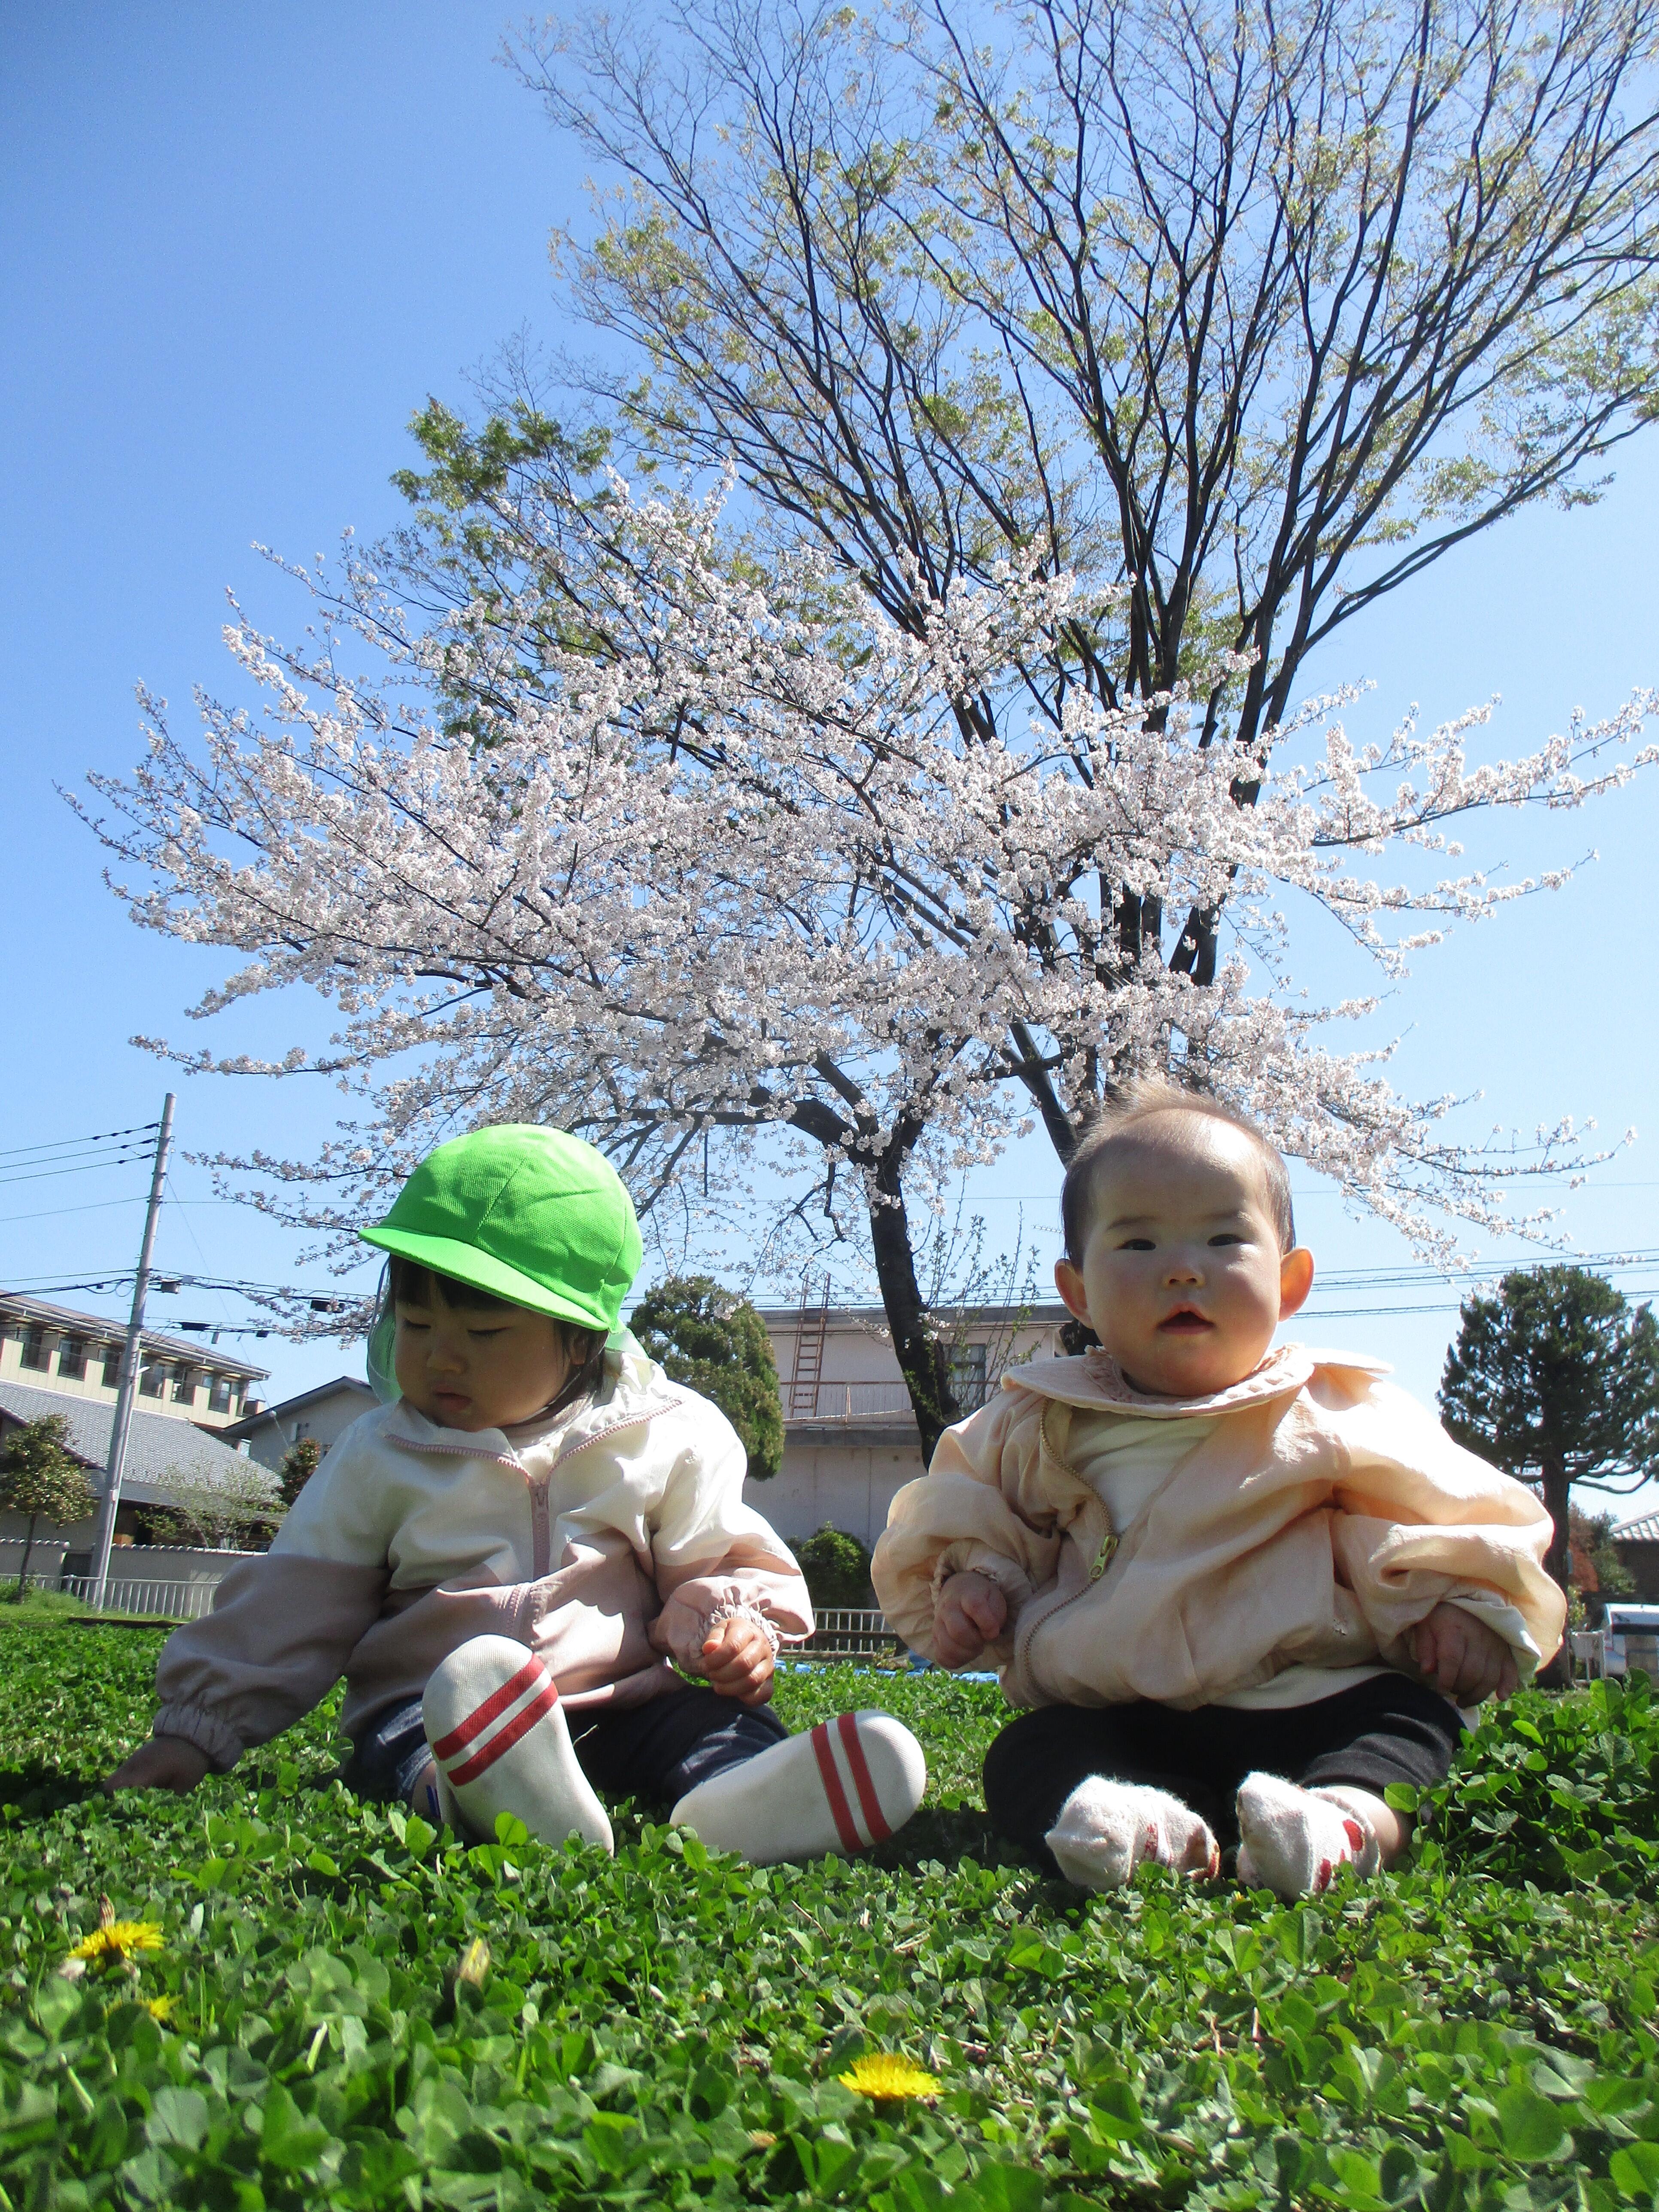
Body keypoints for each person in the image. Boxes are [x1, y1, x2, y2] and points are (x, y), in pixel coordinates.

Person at [106, 1125, 925, 1866]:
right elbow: (290, 1605)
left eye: (483, 1334)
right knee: (404, 1744)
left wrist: (728, 1626)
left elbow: (710, 1557)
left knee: (711, 1728)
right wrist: (198, 1730)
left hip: (624, 1700)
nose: (440, 1359)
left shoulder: (666, 1433)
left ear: (582, 1338)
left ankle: (736, 1801)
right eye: (417, 1326)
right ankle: (473, 1792)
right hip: (439, 1706)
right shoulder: (382, 1452)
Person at [872, 1079, 1564, 1900]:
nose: (1183, 1273)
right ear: (1079, 1292)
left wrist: (1458, 1604)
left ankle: (1339, 1824)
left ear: (1291, 1280)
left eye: (1224, 1241)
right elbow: (977, 1512)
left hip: (1315, 1694)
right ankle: (1141, 1828)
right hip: (1126, 1712)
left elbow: (1430, 1510)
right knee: (1029, 1753)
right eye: (1138, 1246)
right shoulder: (1041, 1421)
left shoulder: (1334, 1409)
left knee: (1405, 1726)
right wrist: (976, 1582)